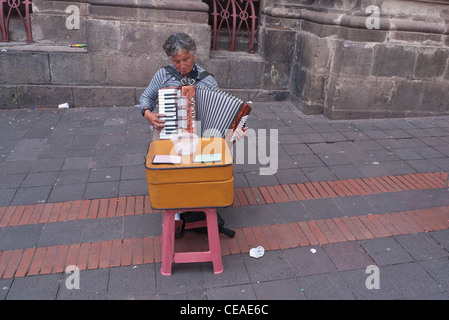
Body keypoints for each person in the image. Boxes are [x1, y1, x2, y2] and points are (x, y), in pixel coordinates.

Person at [139, 32, 247, 140]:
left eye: (186, 60)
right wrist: (147, 113)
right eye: (177, 61)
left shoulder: (207, 80)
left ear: (193, 54)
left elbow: (219, 115)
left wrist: (235, 131)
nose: (182, 66)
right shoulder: (164, 74)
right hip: (169, 134)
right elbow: (147, 97)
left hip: (200, 137)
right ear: (171, 58)